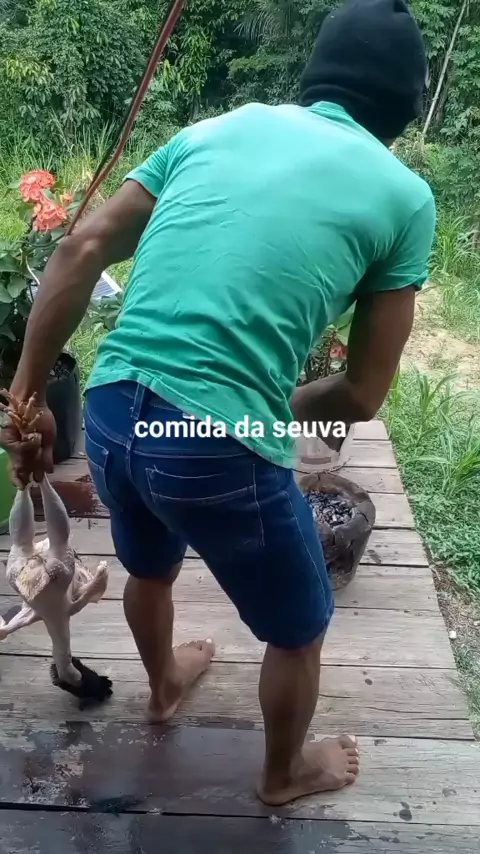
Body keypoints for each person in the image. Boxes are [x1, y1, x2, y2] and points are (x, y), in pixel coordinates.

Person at [1, 0, 434, 806]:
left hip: (111, 406)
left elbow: (80, 245)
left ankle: (164, 686)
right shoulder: (404, 198)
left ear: (314, 78)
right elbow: (361, 392)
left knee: (150, 564)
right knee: (299, 626)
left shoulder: (215, 130)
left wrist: (25, 398)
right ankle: (283, 774)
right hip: (211, 447)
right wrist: (250, 413)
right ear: (405, 110)